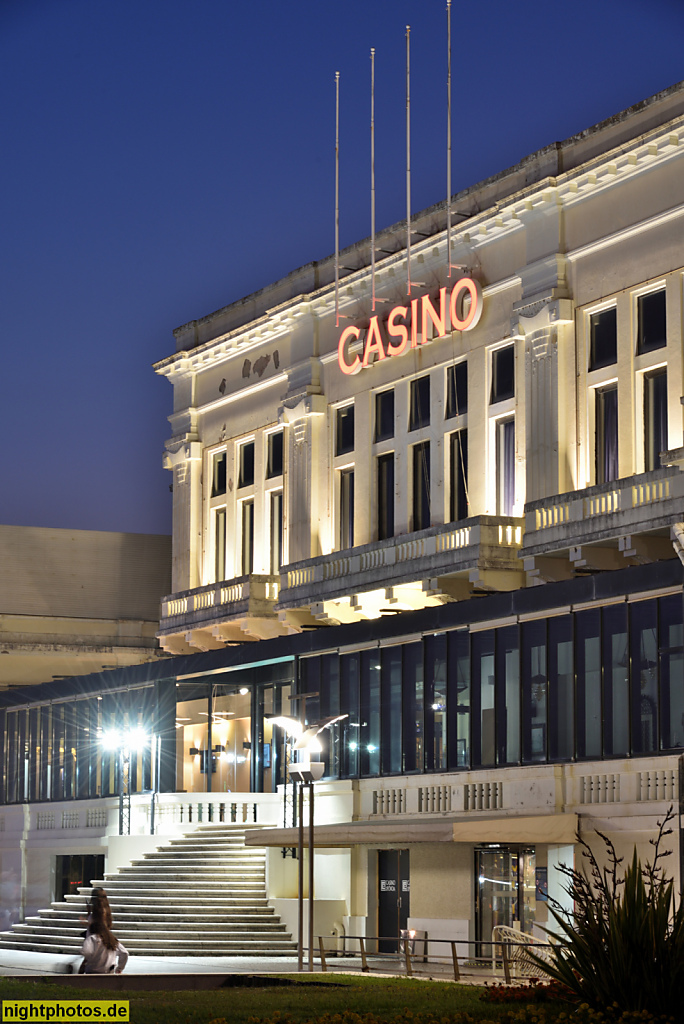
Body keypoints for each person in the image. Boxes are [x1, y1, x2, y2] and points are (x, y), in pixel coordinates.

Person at [79, 892, 128, 974]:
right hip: (108, 971)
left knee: (97, 951)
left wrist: (87, 963)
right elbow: (124, 953)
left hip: (93, 971)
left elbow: (86, 952)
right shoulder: (112, 940)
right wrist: (119, 969)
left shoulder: (92, 938)